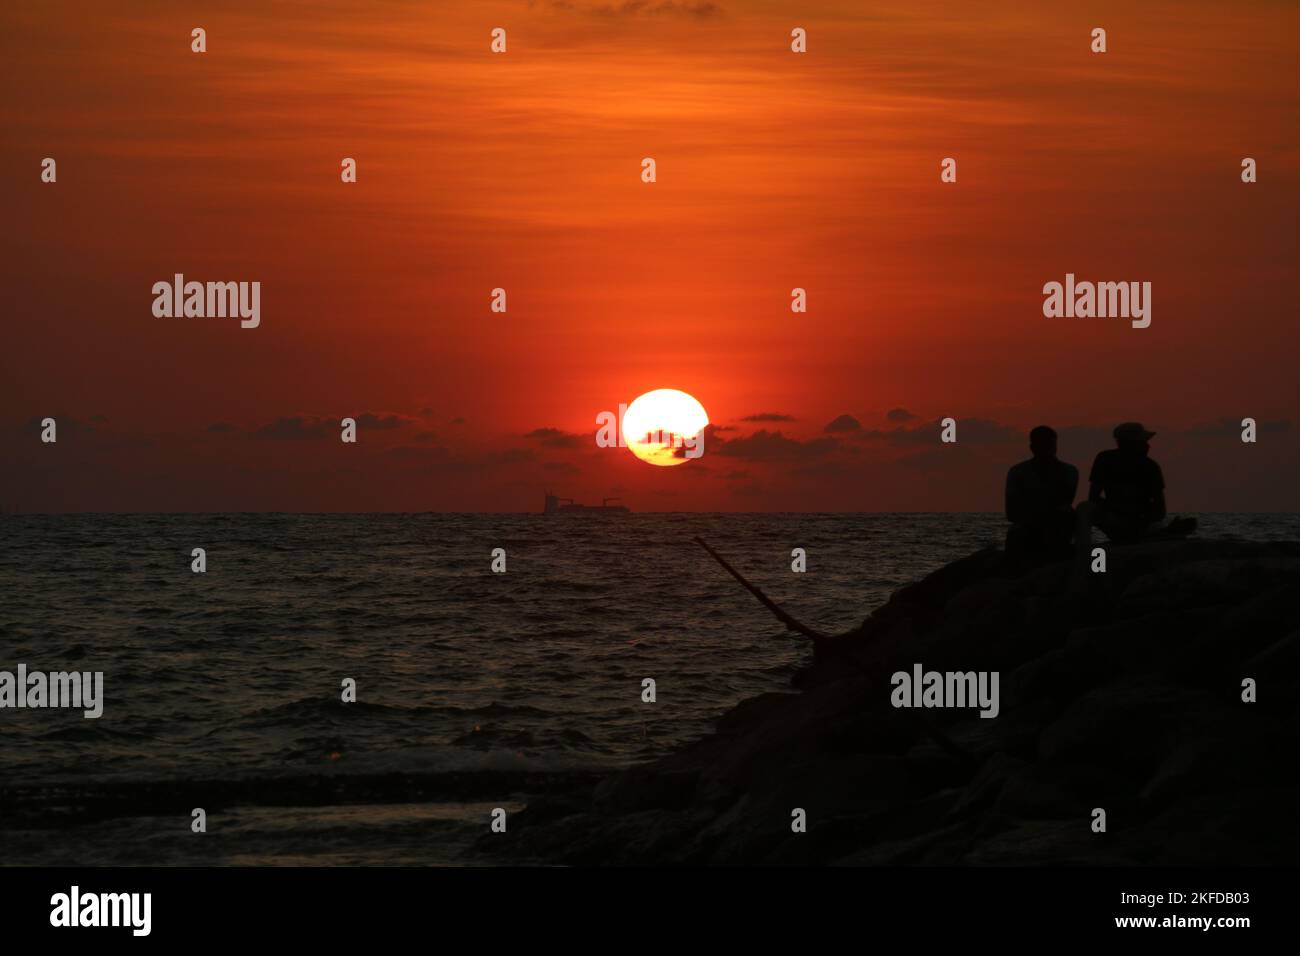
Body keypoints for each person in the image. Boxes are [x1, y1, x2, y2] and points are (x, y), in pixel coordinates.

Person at [1005, 425, 1078, 560]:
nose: (1047, 450)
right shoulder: (1018, 472)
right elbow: (1011, 513)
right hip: (1028, 525)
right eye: (1043, 445)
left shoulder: (1069, 471)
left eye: (1049, 445)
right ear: (1033, 448)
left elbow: (1065, 503)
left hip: (1056, 524)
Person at [1087, 422, 1166, 542]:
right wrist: (1116, 512)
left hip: (1141, 521)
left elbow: (1160, 508)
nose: (1147, 446)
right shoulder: (1105, 459)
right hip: (1115, 518)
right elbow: (1093, 497)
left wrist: (1142, 519)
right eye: (1142, 442)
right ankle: (1083, 547)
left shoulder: (1151, 467)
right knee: (1084, 508)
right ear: (1128, 444)